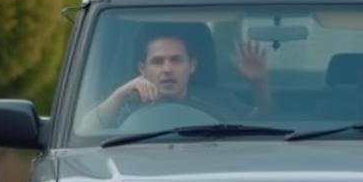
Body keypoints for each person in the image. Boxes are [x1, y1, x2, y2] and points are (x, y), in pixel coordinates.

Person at [80, 26, 272, 132]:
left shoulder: (219, 100)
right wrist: (120, 94)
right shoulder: (123, 106)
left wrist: (259, 83)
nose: (167, 69)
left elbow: (265, 125)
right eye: (157, 61)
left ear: (192, 65)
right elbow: (82, 133)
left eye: (176, 60)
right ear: (142, 69)